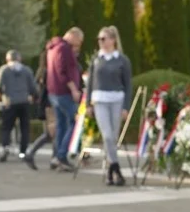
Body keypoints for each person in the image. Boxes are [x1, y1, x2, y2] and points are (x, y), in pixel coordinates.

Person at [86, 26, 132, 186]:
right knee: (107, 136)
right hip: (99, 100)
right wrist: (87, 105)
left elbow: (128, 85)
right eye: (99, 39)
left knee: (113, 136)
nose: (101, 42)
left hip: (117, 100)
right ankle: (115, 167)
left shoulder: (122, 60)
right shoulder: (96, 59)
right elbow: (90, 84)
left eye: (104, 39)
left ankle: (110, 171)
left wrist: (127, 107)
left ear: (113, 40)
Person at [46, 27, 83, 171]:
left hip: (53, 92)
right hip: (64, 92)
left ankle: (56, 157)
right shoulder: (64, 49)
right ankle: (61, 156)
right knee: (76, 122)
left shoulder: (53, 47)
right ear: (73, 36)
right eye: (79, 41)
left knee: (61, 125)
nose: (78, 45)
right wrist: (74, 89)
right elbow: (63, 71)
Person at [0, 49, 39, 164]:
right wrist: (34, 96)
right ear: (19, 58)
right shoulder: (27, 70)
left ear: (7, 59)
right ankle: (22, 152)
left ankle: (6, 147)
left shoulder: (4, 70)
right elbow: (33, 88)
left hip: (10, 102)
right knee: (24, 128)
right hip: (24, 101)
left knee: (6, 127)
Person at [24, 47, 56, 169]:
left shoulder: (41, 71)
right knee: (52, 132)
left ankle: (54, 157)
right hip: (50, 104)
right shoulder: (49, 72)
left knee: (51, 133)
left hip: (45, 104)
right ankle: (33, 153)